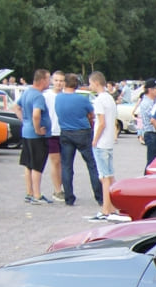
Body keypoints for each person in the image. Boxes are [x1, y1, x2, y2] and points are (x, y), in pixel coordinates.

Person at [55, 73, 101, 208]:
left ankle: (69, 197)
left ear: (65, 84)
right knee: (91, 164)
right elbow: (91, 114)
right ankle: (99, 196)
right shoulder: (82, 99)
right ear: (76, 85)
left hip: (65, 132)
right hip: (82, 132)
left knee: (67, 166)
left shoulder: (59, 98)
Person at [87, 71, 128, 222]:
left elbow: (101, 122)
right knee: (110, 175)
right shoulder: (110, 98)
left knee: (104, 176)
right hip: (109, 141)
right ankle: (112, 207)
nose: (90, 85)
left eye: (91, 83)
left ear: (96, 83)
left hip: (102, 142)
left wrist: (94, 139)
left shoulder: (99, 100)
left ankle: (106, 209)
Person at [15, 69, 53, 203]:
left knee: (28, 164)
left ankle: (29, 192)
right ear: (42, 80)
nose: (50, 82)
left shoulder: (27, 92)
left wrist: (24, 121)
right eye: (49, 79)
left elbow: (16, 107)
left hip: (26, 132)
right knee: (37, 165)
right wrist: (37, 129)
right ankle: (37, 195)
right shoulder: (38, 96)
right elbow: (36, 114)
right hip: (36, 137)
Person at [43, 70, 66, 200]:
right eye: (56, 80)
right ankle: (57, 190)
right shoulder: (46, 96)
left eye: (61, 80)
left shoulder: (66, 95)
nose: (59, 83)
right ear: (52, 81)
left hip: (64, 132)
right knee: (55, 161)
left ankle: (63, 187)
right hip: (51, 132)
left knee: (65, 162)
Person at [136, 79, 156, 169]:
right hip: (152, 134)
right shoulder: (147, 103)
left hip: (154, 134)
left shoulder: (154, 101)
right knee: (152, 162)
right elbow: (154, 120)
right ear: (150, 89)